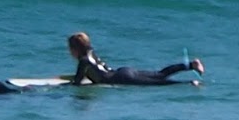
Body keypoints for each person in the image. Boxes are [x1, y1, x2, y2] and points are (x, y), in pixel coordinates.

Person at [66, 31, 203, 86]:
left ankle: (189, 83)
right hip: (123, 71)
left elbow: (77, 82)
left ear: (75, 49)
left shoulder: (83, 61)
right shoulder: (91, 53)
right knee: (160, 74)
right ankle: (190, 65)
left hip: (121, 79)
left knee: (156, 84)